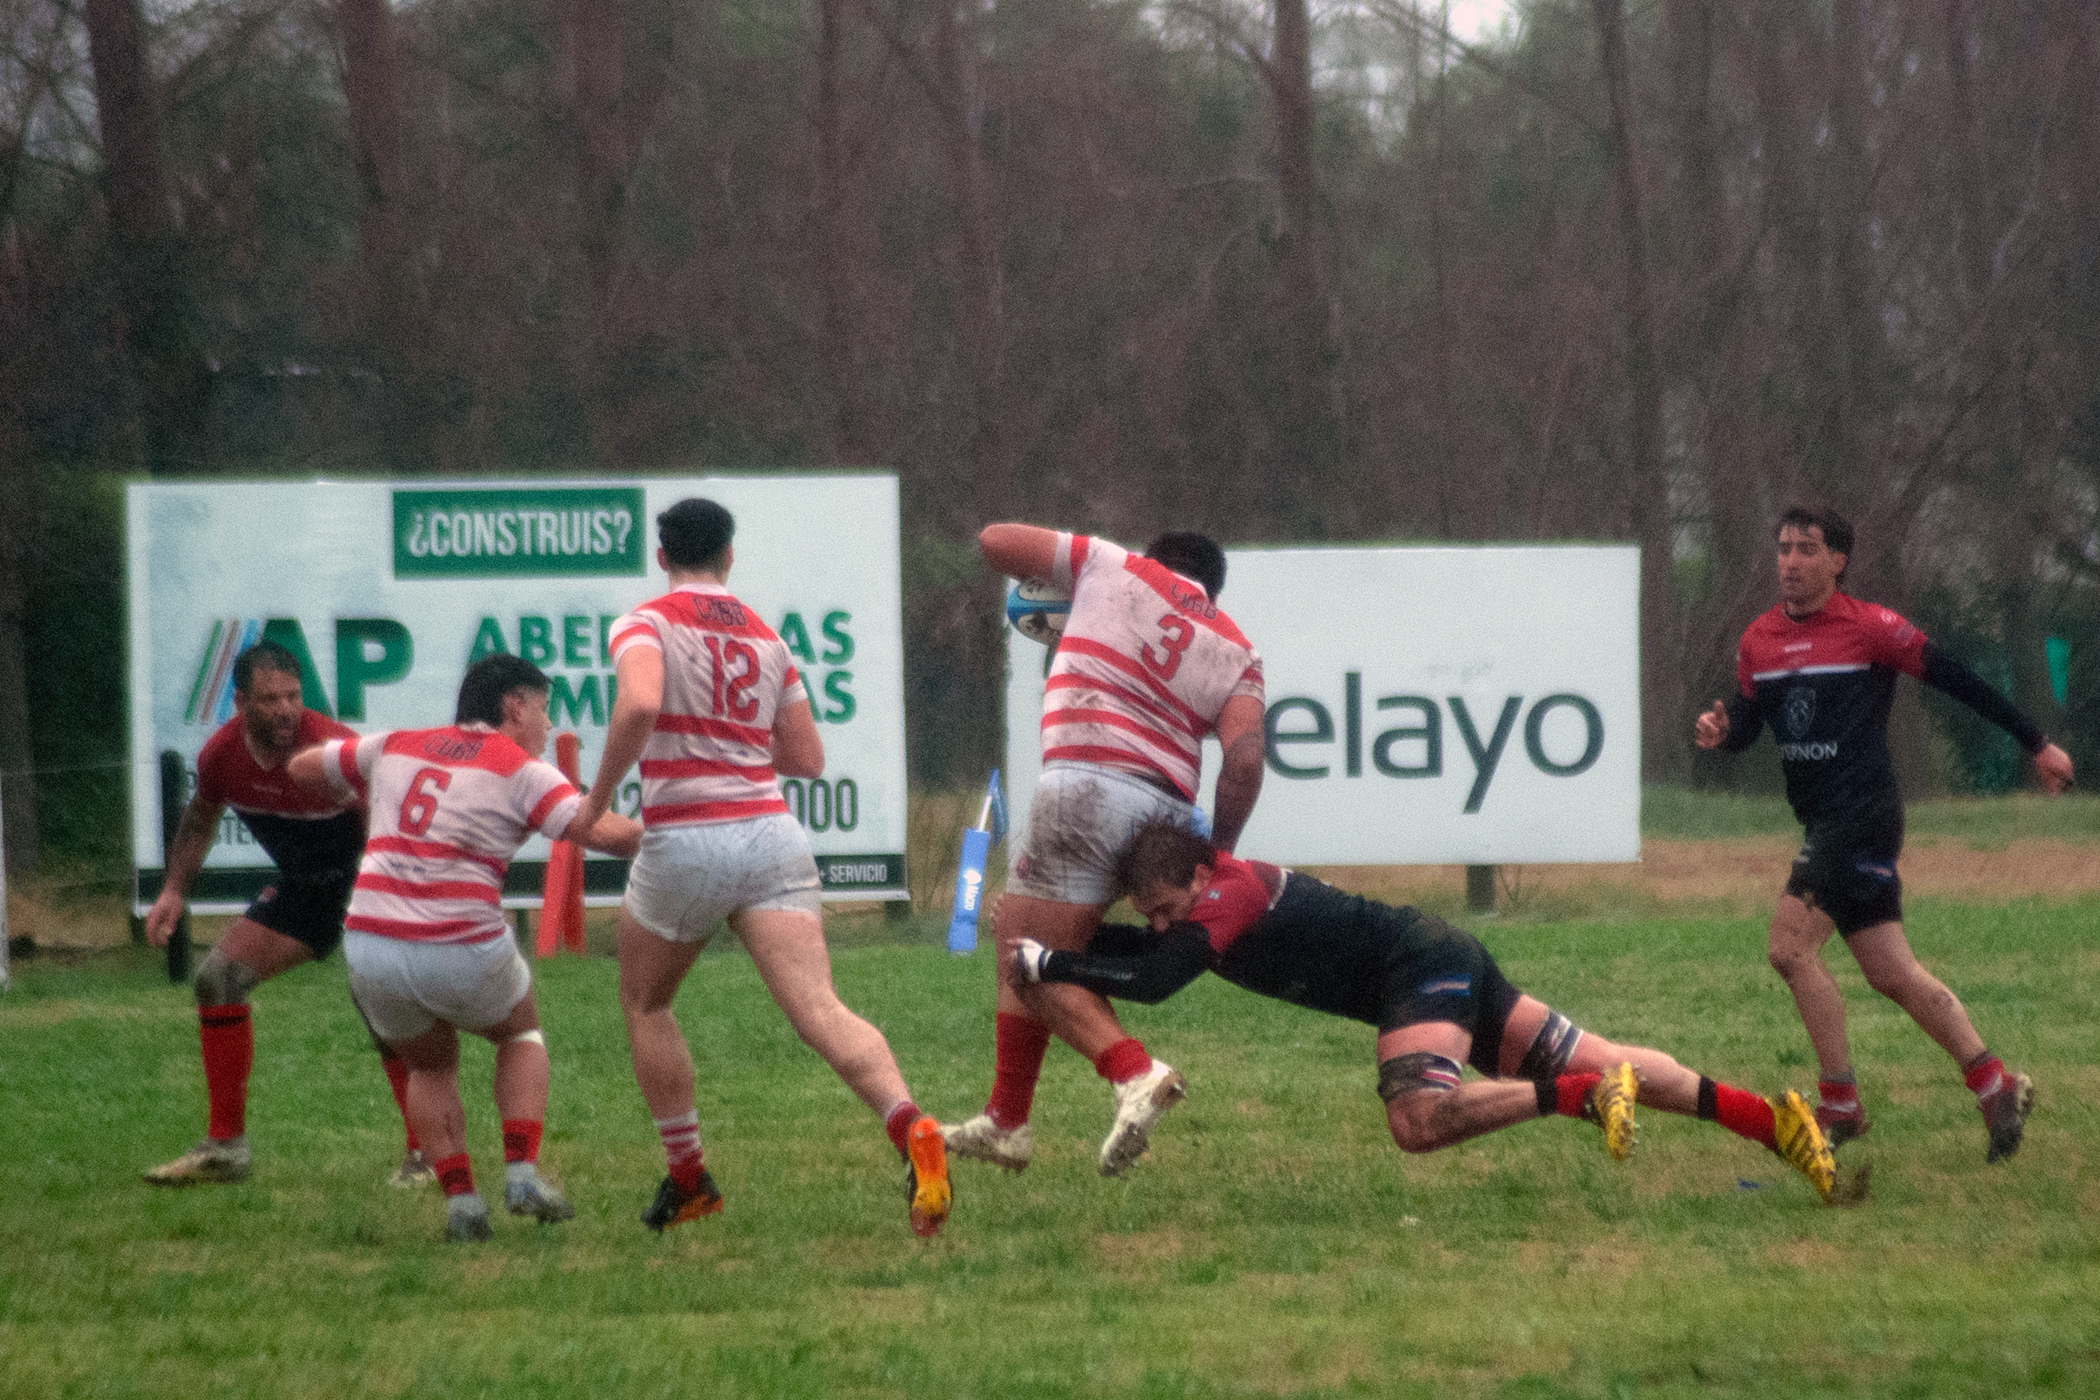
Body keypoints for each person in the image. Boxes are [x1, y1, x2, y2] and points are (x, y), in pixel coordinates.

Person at [1008, 820, 1845, 1202]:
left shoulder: (1227, 893)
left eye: (1163, 908)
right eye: (1149, 914)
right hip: (1439, 956)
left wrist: (1056, 962)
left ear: (1197, 874)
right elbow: (1150, 953)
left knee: (1418, 1120)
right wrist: (1055, 953)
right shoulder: (1209, 897)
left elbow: (1157, 980)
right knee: (1596, 1051)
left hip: (1419, 970)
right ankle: (1772, 1122)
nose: (1160, 925)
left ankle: (1583, 1100)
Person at [575, 497, 952, 1237]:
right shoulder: (766, 638)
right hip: (771, 835)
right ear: (730, 555)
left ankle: (689, 1178)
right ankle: (909, 1122)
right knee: (821, 1011)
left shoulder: (645, 621)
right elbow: (808, 758)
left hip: (687, 838)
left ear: (662, 558)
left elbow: (641, 703)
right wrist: (736, 747)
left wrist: (595, 802)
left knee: (646, 1004)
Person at [1695, 505, 2074, 1162]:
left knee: (1789, 949)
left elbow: (1959, 679)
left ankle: (1839, 1103)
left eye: (1806, 549)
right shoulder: (1758, 639)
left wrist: (2035, 743)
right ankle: (1994, 1083)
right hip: (1825, 819)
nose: (1789, 561)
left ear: (1837, 561)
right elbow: (1751, 726)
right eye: (1783, 547)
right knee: (1891, 972)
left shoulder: (1870, 628)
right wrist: (1723, 733)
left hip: (1861, 816)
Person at [943, 523, 1267, 1178]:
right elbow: (1245, 760)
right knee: (1027, 936)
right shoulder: (1238, 649)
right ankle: (1006, 1119)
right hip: (1167, 818)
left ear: (1155, 561)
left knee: (1024, 956)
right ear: (1213, 586)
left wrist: (1071, 572)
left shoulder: (1113, 567)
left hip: (1088, 787)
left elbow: (993, 540)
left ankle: (1135, 1072)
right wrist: (1218, 852)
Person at [286, 654, 642, 1241]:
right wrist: (668, 834)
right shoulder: (522, 769)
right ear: (513, 706)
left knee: (428, 1064)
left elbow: (303, 767)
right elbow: (602, 833)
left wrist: (366, 791)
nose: (547, 728)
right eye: (543, 711)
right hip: (459, 939)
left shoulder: (397, 743)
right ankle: (523, 1171)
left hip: (371, 938)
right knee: (520, 1034)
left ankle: (462, 1205)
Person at [142, 641, 423, 1188]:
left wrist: (382, 898)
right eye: (270, 699)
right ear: (241, 701)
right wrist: (174, 890)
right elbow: (200, 819)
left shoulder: (332, 747)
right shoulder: (222, 756)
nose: (285, 710)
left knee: (379, 1001)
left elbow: (383, 821)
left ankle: (427, 1154)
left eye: (293, 696)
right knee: (217, 979)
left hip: (367, 880)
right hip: (305, 889)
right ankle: (225, 1149)